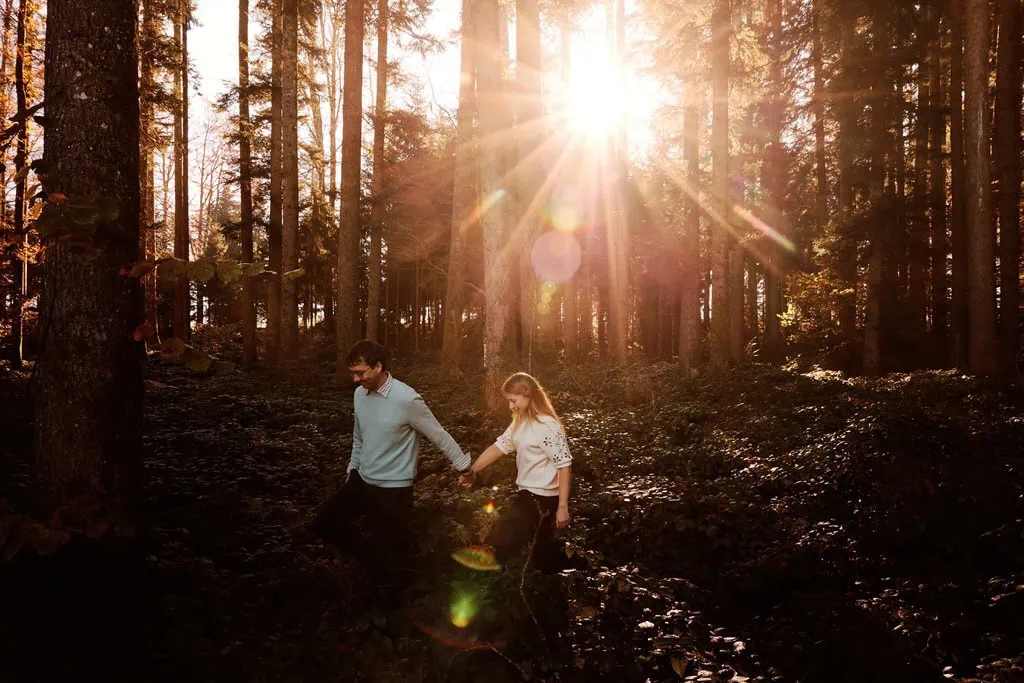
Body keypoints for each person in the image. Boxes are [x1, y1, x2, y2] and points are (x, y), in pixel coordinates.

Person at [311, 339, 472, 601]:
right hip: (361, 481)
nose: (355, 379)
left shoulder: (407, 399)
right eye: (353, 373)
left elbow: (438, 434)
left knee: (393, 567)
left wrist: (463, 466)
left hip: (393, 492)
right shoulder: (359, 395)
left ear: (378, 366)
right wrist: (353, 466)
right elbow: (359, 437)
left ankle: (401, 605)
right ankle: (372, 560)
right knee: (323, 523)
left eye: (360, 372)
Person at [459, 372, 572, 573]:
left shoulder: (548, 426)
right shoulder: (520, 422)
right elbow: (498, 447)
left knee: (537, 555)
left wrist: (562, 507)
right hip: (525, 496)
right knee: (511, 545)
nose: (510, 406)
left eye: (513, 400)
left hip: (544, 501)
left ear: (527, 394)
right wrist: (472, 470)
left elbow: (564, 465)